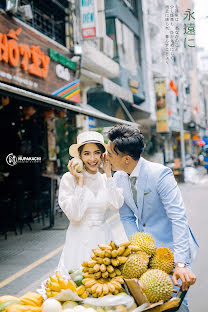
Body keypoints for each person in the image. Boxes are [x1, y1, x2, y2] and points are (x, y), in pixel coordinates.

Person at [106, 125, 198, 312]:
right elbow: (126, 217)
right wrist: (140, 251)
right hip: (147, 252)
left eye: (110, 153)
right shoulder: (119, 179)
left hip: (172, 249)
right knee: (153, 304)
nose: (106, 157)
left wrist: (180, 263)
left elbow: (178, 218)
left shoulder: (160, 174)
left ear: (126, 159)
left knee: (175, 304)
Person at [57, 131, 124, 276]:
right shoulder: (69, 179)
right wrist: (80, 182)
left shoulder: (105, 179)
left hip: (103, 239)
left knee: (104, 286)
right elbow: (75, 216)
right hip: (78, 240)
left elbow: (116, 204)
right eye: (87, 153)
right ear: (79, 156)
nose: (92, 158)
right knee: (76, 285)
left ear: (102, 155)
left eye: (97, 153)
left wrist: (108, 173)